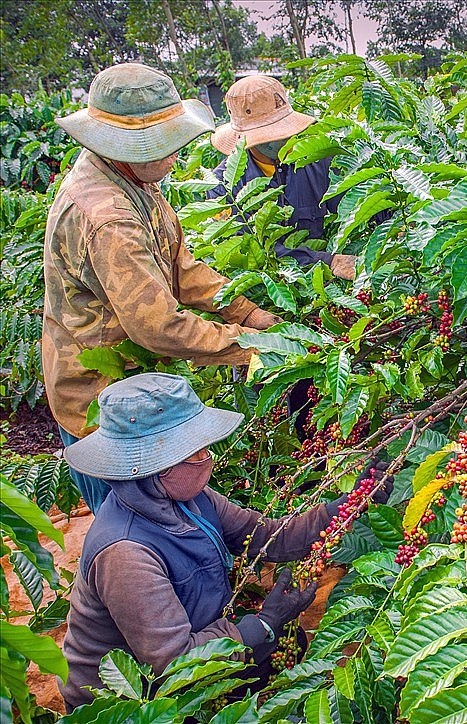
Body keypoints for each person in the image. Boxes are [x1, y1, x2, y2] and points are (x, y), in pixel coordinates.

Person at [58, 372, 392, 712]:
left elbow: (265, 536)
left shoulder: (189, 499)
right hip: (129, 701)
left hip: (191, 644)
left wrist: (348, 504)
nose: (207, 457)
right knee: (265, 644)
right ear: (155, 466)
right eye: (195, 451)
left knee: (284, 644)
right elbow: (176, 661)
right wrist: (263, 622)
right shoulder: (125, 553)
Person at [44, 63, 282, 514]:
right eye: (167, 145)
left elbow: (179, 264)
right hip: (102, 399)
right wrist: (251, 346)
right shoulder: (108, 218)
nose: (177, 155)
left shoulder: (131, 178)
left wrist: (245, 311)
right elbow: (156, 326)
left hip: (136, 385)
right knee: (135, 532)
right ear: (129, 147)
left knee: (173, 522)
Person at [207, 74, 358, 279]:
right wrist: (327, 261)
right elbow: (244, 250)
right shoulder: (222, 186)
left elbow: (354, 203)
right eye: (274, 134)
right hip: (265, 288)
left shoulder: (316, 160)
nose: (286, 138)